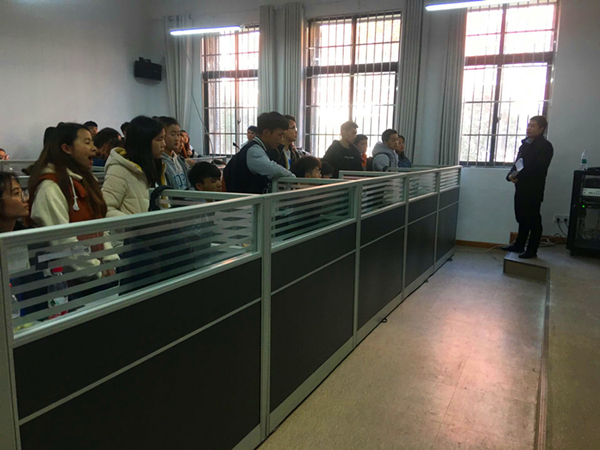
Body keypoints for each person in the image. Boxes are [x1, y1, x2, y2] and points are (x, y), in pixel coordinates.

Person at [28, 122, 118, 277]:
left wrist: (109, 259)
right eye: (87, 143)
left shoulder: (87, 181)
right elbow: (63, 242)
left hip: (98, 275)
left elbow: (100, 225)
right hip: (71, 282)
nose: (94, 149)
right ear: (67, 148)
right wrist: (95, 270)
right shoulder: (50, 187)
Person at [502, 116, 554, 259]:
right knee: (521, 217)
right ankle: (519, 244)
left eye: (532, 126)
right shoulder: (525, 144)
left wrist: (519, 176)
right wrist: (510, 175)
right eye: (528, 125)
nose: (528, 128)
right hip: (521, 187)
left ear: (541, 129)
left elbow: (538, 168)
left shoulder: (545, 146)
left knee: (533, 219)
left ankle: (532, 249)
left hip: (533, 188)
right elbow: (518, 163)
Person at [102, 116, 166, 217]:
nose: (164, 144)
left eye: (164, 138)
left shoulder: (156, 167)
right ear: (144, 141)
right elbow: (105, 209)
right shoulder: (120, 170)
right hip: (134, 227)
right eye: (159, 139)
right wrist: (135, 223)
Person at [223, 112, 294, 194]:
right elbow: (272, 169)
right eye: (279, 134)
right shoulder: (254, 151)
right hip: (241, 201)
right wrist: (293, 178)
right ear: (266, 133)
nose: (281, 139)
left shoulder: (261, 148)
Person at [158, 117, 190, 190]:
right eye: (173, 134)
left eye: (178, 135)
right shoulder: (159, 163)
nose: (176, 139)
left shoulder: (180, 160)